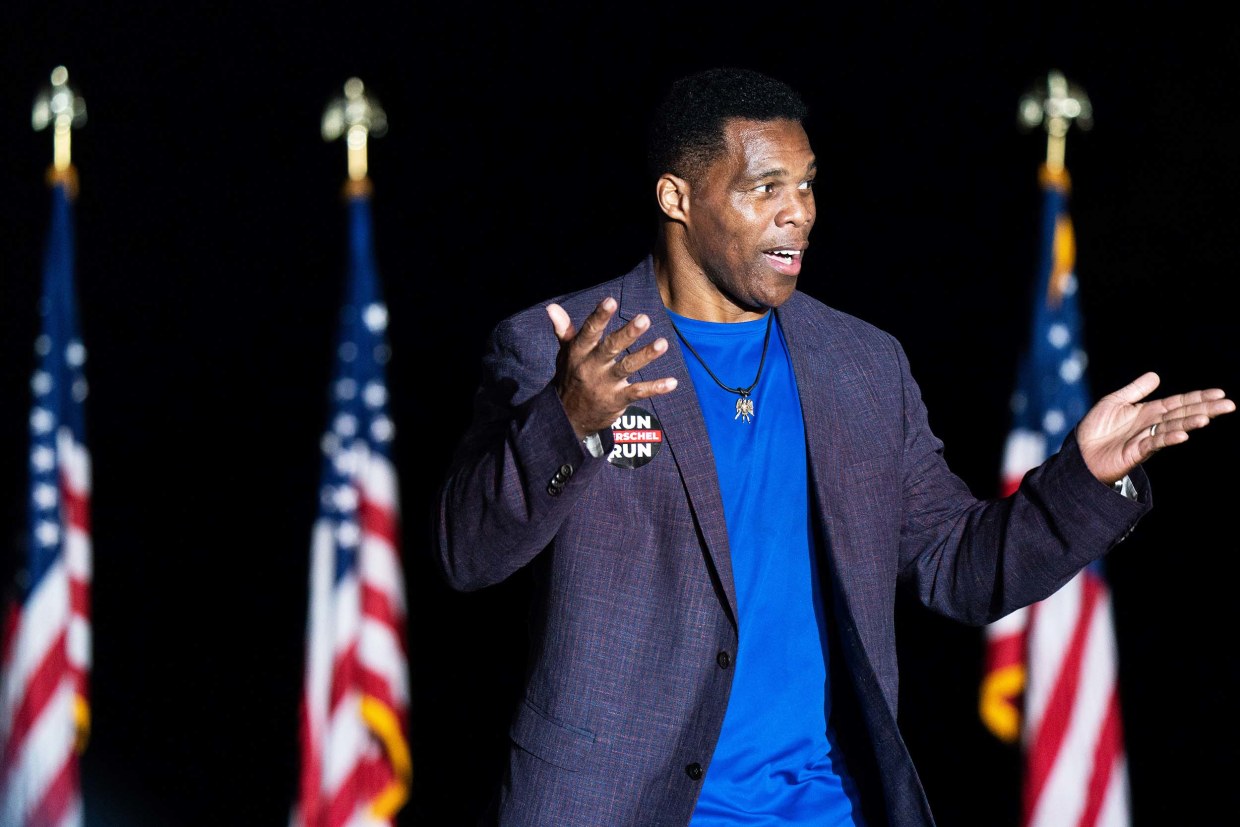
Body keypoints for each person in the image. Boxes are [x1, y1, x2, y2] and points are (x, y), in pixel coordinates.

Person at [431, 66, 1234, 827]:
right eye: (764, 188)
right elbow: (468, 553)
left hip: (824, 804)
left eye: (807, 183)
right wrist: (566, 417)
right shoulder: (561, 345)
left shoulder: (861, 364)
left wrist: (1084, 480)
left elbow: (958, 564)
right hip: (621, 804)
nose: (801, 212)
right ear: (677, 197)